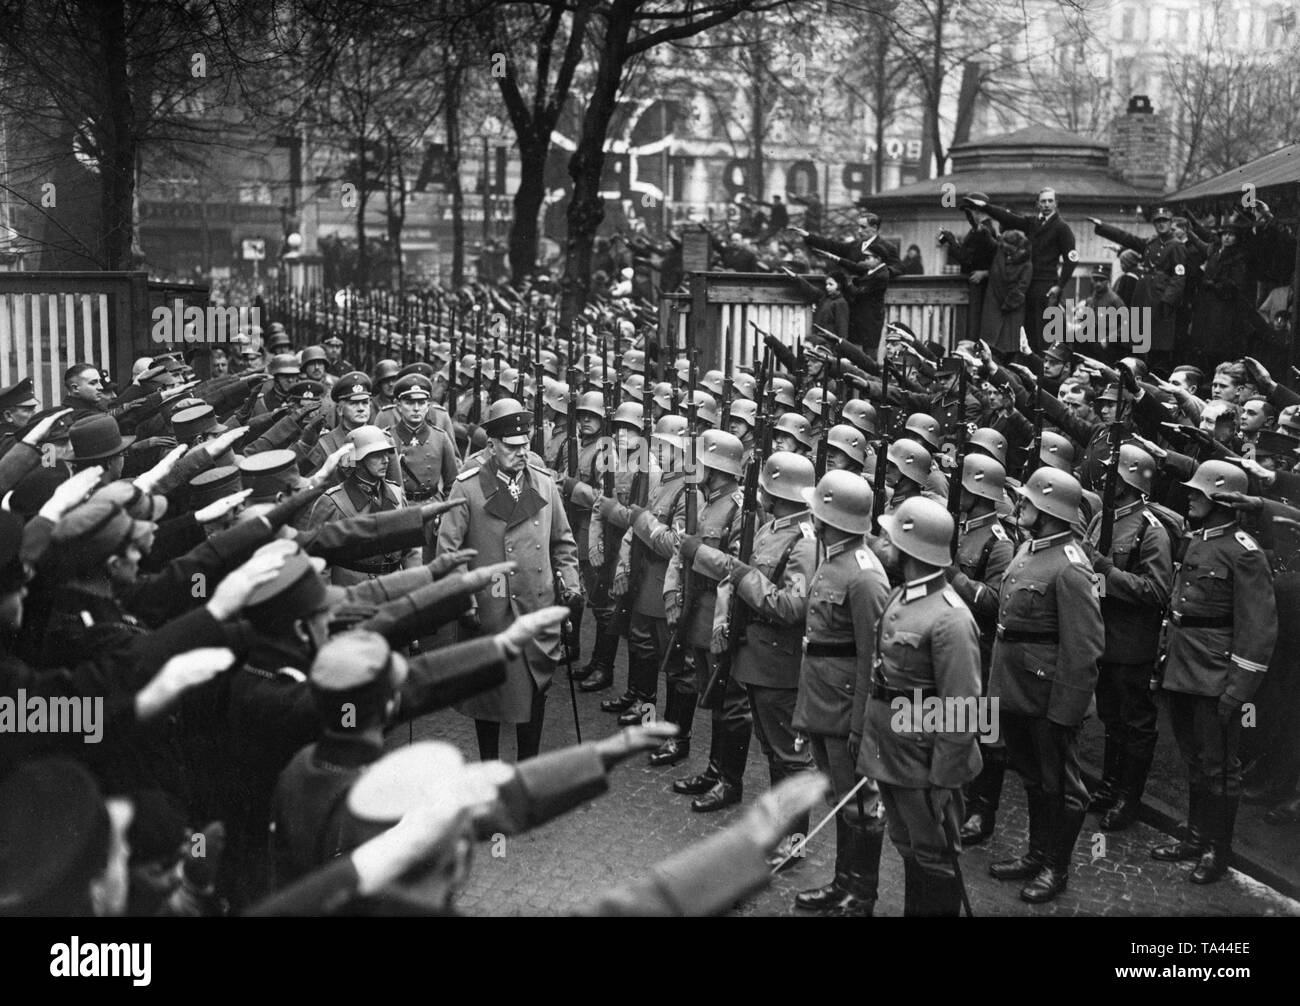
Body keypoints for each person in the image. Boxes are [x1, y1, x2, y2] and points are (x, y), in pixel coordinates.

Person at [1150, 461, 1276, 884]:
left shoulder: (1244, 552)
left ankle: (1216, 853)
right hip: (1183, 667)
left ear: (1221, 499)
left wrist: (1237, 691)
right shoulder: (1196, 541)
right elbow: (1177, 610)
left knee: (1220, 767)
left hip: (1217, 675)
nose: (1188, 496)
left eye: (1197, 492)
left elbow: (1257, 630)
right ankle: (1194, 836)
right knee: (1193, 760)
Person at [436, 398, 582, 762]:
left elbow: (563, 541)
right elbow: (449, 551)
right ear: (491, 445)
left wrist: (571, 583)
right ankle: (488, 771)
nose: (521, 453)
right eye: (511, 447)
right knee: (489, 699)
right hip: (491, 610)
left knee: (536, 691)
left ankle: (527, 771)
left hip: (536, 605)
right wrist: (464, 600)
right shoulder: (468, 487)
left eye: (525, 445)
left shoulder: (545, 484)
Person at [691, 452, 819, 862]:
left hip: (778, 665)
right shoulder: (770, 528)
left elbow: (791, 607)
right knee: (773, 750)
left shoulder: (803, 542)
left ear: (776, 492)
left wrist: (747, 578)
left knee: (790, 758)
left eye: (764, 486)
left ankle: (793, 841)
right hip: (756, 657)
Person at [987, 466, 1103, 904]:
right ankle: (1037, 854)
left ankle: (1057, 866)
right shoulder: (1029, 549)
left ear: (1048, 509)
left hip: (1048, 696)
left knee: (1063, 787)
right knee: (1035, 779)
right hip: (1017, 690)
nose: (1019, 507)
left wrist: (1066, 710)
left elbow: (1085, 647)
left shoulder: (1070, 566)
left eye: (1028, 502)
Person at [864, 496, 982, 915]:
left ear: (909, 549)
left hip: (924, 761)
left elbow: (963, 709)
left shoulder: (951, 617)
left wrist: (943, 779)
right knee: (909, 846)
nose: (883, 543)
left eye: (890, 537)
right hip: (894, 753)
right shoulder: (903, 595)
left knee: (933, 855)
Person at [792, 470, 890, 916]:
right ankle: (842, 883)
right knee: (841, 801)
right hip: (823, 701)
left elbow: (873, 659)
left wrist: (860, 725)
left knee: (861, 806)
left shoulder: (865, 576)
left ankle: (861, 895)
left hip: (845, 707)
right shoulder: (833, 559)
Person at [1080, 445, 1174, 831]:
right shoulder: (1103, 517)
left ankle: (1128, 798)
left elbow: (1156, 591)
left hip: (1132, 643)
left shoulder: (1150, 531)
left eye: (1113, 473)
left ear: (1132, 480)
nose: (1104, 479)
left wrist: (1107, 572)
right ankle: (1109, 785)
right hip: (1102, 635)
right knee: (1111, 718)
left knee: (1135, 723)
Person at [668, 429, 751, 812]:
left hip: (722, 612)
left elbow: (737, 568)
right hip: (700, 608)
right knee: (714, 693)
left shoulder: (738, 506)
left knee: (729, 700)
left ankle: (728, 781)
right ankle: (714, 770)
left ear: (716, 467)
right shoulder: (705, 501)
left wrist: (696, 551)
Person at [964, 189, 1077, 353]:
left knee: (1044, 334)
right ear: (1038, 204)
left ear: (1056, 203)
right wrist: (986, 207)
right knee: (1028, 333)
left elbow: (1071, 259)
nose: (1046, 205)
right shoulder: (1032, 223)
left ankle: (1044, 371)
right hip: (1029, 285)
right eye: (1043, 201)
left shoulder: (1062, 228)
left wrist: (1059, 286)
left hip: (1046, 286)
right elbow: (1008, 218)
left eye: (1050, 201)